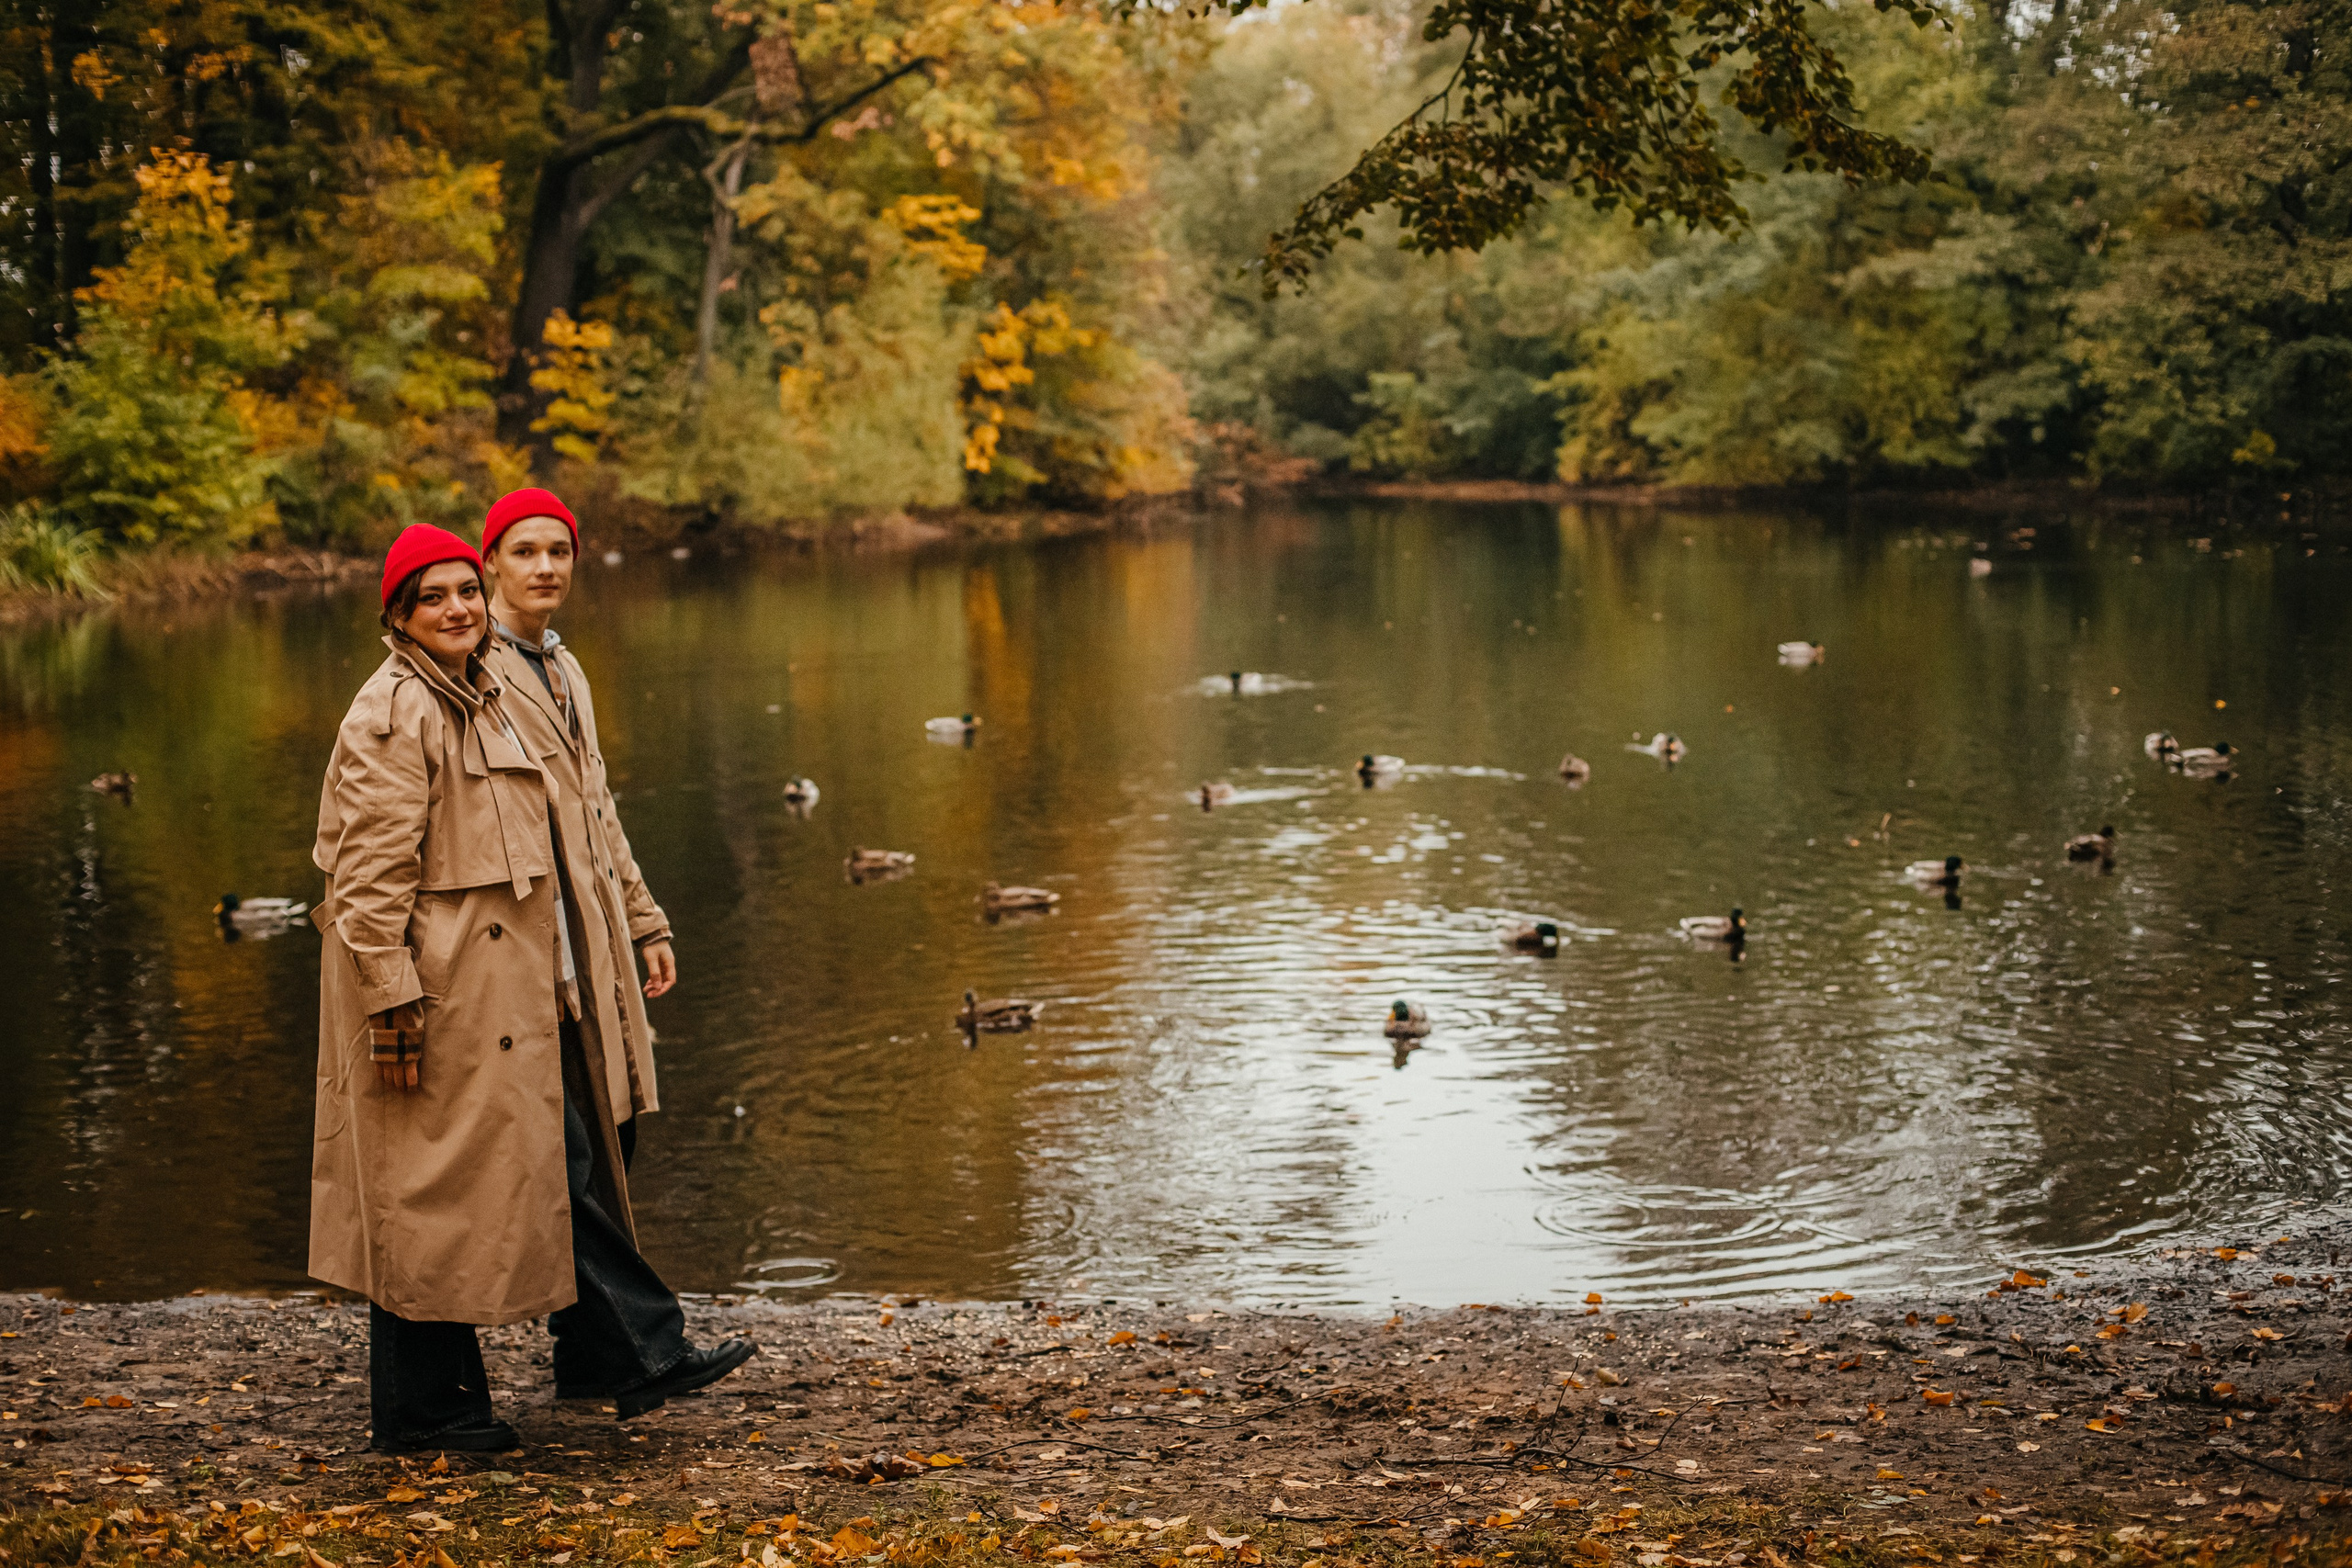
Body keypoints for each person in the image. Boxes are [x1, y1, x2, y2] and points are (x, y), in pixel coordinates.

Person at [310, 524, 751, 1454]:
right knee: (424, 1200)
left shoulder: (480, 699)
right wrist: (392, 1006)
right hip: (432, 1007)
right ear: (398, 614)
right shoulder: (394, 713)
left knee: (491, 1181)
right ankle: (440, 1413)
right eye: (434, 598)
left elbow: (564, 839)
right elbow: (364, 884)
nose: (459, 609)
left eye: (466, 592)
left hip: (493, 1007)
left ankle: (563, 1370)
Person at [477, 488, 673, 1181]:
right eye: (525, 552)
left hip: (601, 929)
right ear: (490, 560)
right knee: (561, 1138)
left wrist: (646, 920)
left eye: (559, 552)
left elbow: (598, 806)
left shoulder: (566, 668)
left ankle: (598, 1287)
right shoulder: (475, 674)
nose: (545, 567)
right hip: (532, 947)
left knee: (614, 1125)